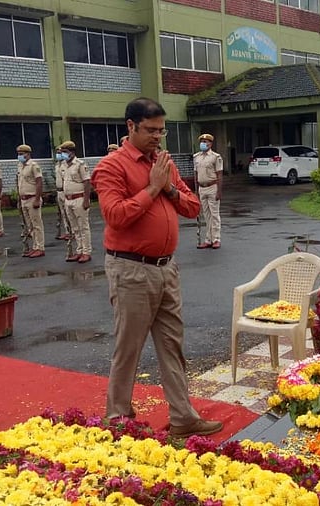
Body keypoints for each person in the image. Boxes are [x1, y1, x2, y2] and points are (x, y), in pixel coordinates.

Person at [92, 97, 223, 438]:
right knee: (129, 346)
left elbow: (193, 208)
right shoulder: (111, 166)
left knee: (172, 345)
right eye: (150, 130)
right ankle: (118, 418)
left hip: (166, 269)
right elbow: (116, 216)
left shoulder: (163, 162)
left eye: (161, 130)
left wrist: (168, 187)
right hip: (131, 270)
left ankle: (183, 416)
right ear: (130, 126)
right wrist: (152, 188)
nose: (157, 137)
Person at [60, 141, 92, 263]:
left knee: (83, 227)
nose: (63, 154)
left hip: (79, 199)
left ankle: (86, 251)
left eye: (65, 152)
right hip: (68, 200)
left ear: (72, 152)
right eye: (62, 152)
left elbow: (87, 182)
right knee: (75, 228)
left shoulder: (80, 164)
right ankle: (79, 250)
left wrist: (86, 200)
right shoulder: (64, 165)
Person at [193, 133, 223, 249]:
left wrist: (219, 191)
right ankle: (208, 239)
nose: (203, 144)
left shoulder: (216, 157)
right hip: (202, 188)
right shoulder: (196, 157)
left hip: (212, 187)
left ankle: (216, 239)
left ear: (211, 144)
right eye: (202, 141)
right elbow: (196, 174)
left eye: (206, 142)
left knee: (214, 214)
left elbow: (219, 175)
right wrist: (195, 190)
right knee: (206, 215)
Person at [16, 144, 45, 258]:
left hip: (32, 198)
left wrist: (37, 199)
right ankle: (35, 246)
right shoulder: (20, 166)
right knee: (30, 225)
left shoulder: (33, 165)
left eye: (22, 154)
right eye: (18, 154)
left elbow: (39, 182)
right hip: (24, 199)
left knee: (37, 224)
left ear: (28, 154)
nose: (20, 156)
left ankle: (40, 247)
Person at [54, 147, 71, 242]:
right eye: (57, 153)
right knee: (63, 214)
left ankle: (71, 232)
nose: (58, 154)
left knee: (68, 213)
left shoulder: (66, 164)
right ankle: (67, 231)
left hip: (65, 191)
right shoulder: (57, 165)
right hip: (58, 191)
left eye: (60, 152)